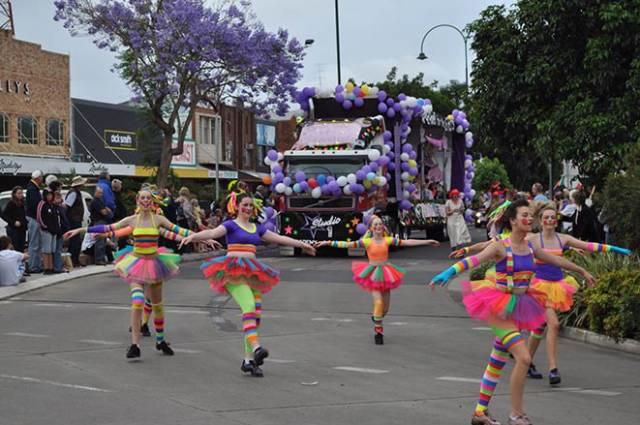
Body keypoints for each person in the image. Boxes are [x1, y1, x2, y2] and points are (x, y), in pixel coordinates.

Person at [430, 199, 595, 425]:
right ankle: (516, 414)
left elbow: (555, 259)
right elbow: (474, 260)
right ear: (513, 221)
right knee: (524, 357)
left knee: (497, 359)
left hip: (521, 304)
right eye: (524, 215)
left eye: (530, 215)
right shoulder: (500, 245)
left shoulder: (530, 246)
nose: (529, 219)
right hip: (499, 306)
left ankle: (480, 412)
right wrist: (448, 273)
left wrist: (581, 270)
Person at [179, 192, 316, 377]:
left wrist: (302, 244)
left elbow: (280, 238)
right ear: (237, 206)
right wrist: (192, 237)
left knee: (255, 314)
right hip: (233, 271)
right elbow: (211, 233)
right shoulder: (230, 225)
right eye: (244, 205)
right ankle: (257, 348)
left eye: (251, 205)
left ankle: (248, 360)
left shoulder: (257, 227)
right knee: (249, 307)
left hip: (253, 272)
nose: (248, 208)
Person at [65, 187, 195, 360]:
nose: (146, 201)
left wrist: (203, 236)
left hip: (155, 263)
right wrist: (82, 230)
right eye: (143, 198)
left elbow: (180, 231)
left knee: (157, 305)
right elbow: (108, 227)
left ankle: (160, 340)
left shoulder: (158, 219)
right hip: (136, 264)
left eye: (148, 198)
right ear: (137, 200)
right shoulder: (132, 220)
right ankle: (135, 345)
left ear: (152, 201)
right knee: (138, 301)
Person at [525, 203, 630, 384]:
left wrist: (616, 249)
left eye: (552, 217)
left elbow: (589, 245)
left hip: (557, 285)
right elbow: (509, 244)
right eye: (546, 218)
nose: (550, 220)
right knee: (554, 324)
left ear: (556, 220)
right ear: (541, 221)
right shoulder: (533, 240)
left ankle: (526, 361)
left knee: (540, 327)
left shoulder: (563, 239)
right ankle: (553, 369)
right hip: (539, 288)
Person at [316, 216, 439, 345]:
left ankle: (377, 317)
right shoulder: (367, 242)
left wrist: (427, 241)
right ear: (371, 228)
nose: (378, 226)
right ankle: (378, 332)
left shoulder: (388, 240)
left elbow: (407, 242)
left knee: (384, 310)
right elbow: (347, 244)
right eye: (375, 224)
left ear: (383, 227)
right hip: (373, 274)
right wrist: (328, 242)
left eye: (380, 224)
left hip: (386, 274)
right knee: (378, 303)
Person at [64, 176, 88, 267]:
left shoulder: (76, 193)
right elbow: (67, 206)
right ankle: (73, 260)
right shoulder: (74, 193)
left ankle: (74, 259)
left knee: (75, 241)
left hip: (75, 219)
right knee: (75, 241)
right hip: (73, 220)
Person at [37, 188, 59, 275]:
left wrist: (56, 228)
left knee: (52, 249)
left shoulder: (52, 205)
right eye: (48, 195)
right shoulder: (42, 204)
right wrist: (45, 227)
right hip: (46, 230)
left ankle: (51, 267)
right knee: (46, 250)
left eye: (51, 195)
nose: (49, 196)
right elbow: (39, 217)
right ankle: (46, 268)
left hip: (54, 231)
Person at [26, 170, 44, 273]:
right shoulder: (32, 189)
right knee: (34, 244)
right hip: (34, 218)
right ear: (38, 178)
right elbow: (35, 205)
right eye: (41, 178)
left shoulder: (33, 188)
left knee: (37, 243)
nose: (42, 180)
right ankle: (33, 266)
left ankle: (36, 265)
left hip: (35, 218)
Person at [89, 187, 111, 265]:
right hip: (98, 222)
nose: (101, 194)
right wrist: (106, 210)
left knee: (104, 241)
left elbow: (107, 210)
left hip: (102, 222)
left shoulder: (100, 201)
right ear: (95, 192)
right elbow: (104, 212)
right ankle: (98, 259)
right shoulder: (95, 201)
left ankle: (102, 258)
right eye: (99, 193)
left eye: (101, 193)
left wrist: (107, 210)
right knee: (100, 241)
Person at [2, 186, 27, 253]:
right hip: (14, 230)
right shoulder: (11, 203)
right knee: (15, 248)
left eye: (21, 193)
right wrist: (13, 222)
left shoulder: (22, 203)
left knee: (21, 248)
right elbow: (4, 215)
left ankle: (20, 262)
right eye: (19, 193)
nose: (21, 195)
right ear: (14, 194)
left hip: (22, 229)